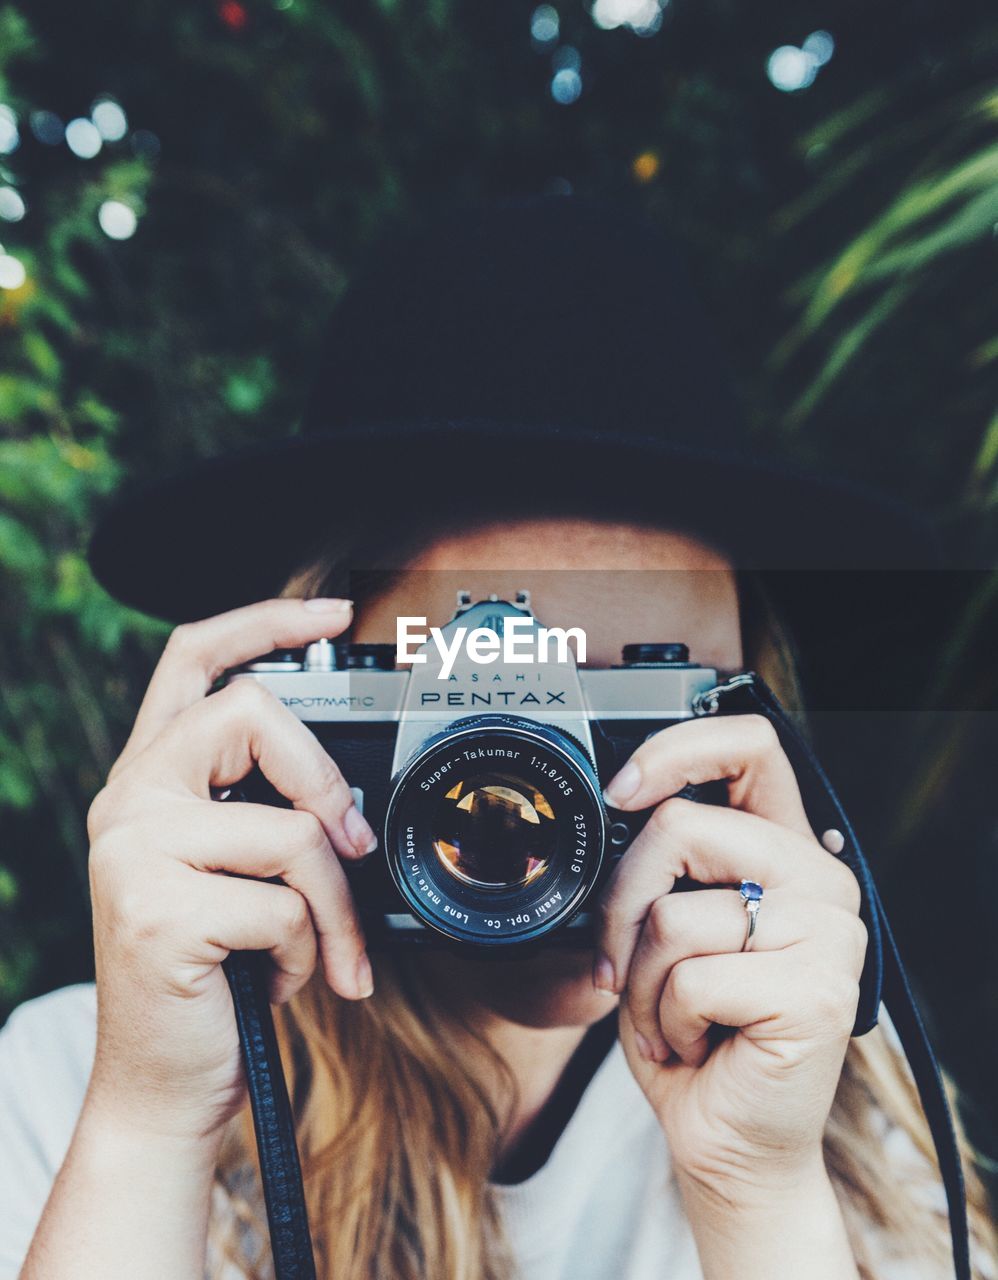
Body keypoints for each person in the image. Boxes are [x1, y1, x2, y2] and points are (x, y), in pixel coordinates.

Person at [0, 195, 992, 1280]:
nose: (542, 798)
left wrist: (760, 1191)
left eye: (634, 705)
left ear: (751, 726)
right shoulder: (87, 1078)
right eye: (484, 700)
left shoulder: (828, 1081)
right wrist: (151, 1128)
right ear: (309, 703)